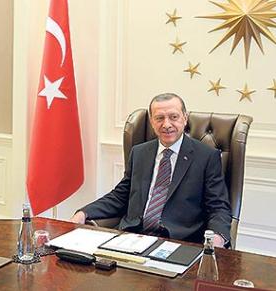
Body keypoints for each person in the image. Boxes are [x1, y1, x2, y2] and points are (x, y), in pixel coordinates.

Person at [71, 93, 231, 247]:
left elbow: (218, 206)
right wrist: (84, 212)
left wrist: (217, 238)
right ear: (152, 121)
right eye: (159, 118)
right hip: (132, 238)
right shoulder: (139, 152)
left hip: (179, 242)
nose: (167, 124)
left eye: (173, 117)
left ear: (185, 118)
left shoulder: (206, 156)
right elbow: (120, 196)